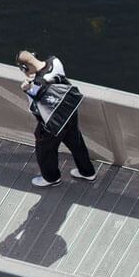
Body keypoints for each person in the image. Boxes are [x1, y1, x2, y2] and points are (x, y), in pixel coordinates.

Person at [16, 49, 97, 188]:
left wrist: (27, 90)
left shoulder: (36, 84)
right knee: (76, 142)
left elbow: (34, 108)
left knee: (45, 150)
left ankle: (51, 178)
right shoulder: (55, 61)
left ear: (25, 67)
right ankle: (87, 172)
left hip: (52, 122)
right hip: (68, 111)